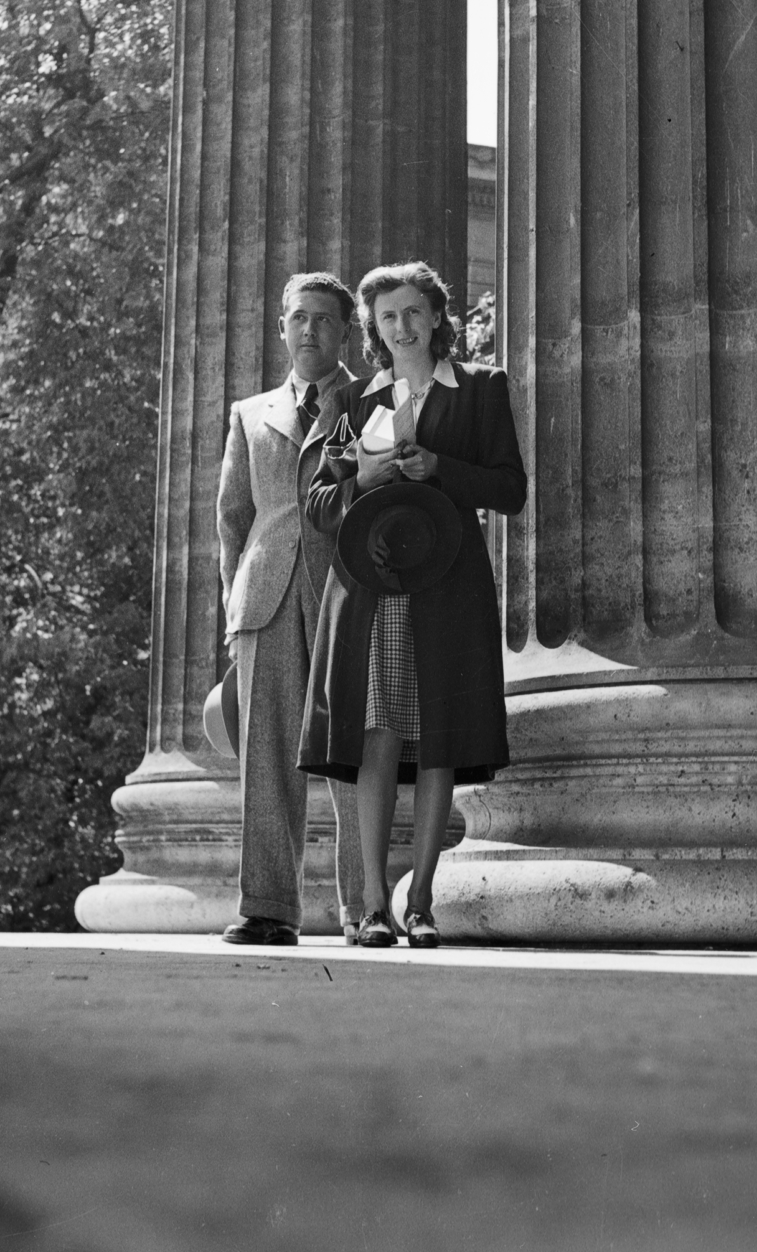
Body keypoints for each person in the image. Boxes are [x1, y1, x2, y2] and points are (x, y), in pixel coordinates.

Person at [299, 261, 527, 949]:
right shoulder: (354, 401)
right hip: (369, 589)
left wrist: (441, 470)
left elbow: (510, 488)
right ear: (372, 328)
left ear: (435, 318)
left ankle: (420, 903)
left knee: (438, 738)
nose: (400, 326)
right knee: (377, 732)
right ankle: (372, 905)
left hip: (448, 585)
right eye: (387, 316)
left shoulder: (481, 388)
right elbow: (316, 507)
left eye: (412, 312)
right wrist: (361, 477)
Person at [216, 272, 364, 946]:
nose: (310, 331)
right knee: (266, 757)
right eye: (298, 318)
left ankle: (364, 910)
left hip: (344, 591)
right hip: (265, 598)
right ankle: (268, 908)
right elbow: (232, 519)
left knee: (350, 752)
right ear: (281, 327)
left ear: (344, 332)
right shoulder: (249, 414)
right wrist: (232, 608)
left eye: (324, 320)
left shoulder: (372, 404)